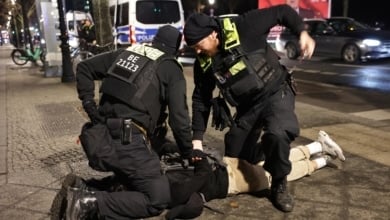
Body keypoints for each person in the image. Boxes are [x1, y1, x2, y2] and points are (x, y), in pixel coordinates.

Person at [183, 5, 316, 212]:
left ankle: (279, 182)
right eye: (193, 48)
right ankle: (269, 151)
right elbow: (201, 99)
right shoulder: (204, 62)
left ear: (213, 34)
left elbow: (282, 11)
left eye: (199, 45)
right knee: (235, 158)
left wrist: (303, 32)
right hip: (248, 107)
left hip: (275, 92)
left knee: (278, 134)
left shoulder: (244, 26)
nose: (197, 51)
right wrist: (197, 141)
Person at [62, 130, 345, 219]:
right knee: (281, 168)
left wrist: (197, 166)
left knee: (282, 171)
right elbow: (189, 203)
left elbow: (191, 196)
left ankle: (320, 150)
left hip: (230, 177)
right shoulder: (164, 187)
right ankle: (321, 148)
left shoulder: (168, 191)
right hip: (229, 173)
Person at [69, 25, 195, 219]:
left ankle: (86, 187)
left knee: (136, 174)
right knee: (157, 198)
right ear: (176, 49)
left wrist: (89, 104)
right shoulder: (170, 67)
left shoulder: (127, 53)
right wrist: (187, 152)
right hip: (128, 139)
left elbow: (84, 67)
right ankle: (88, 204)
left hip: (102, 135)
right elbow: (179, 119)